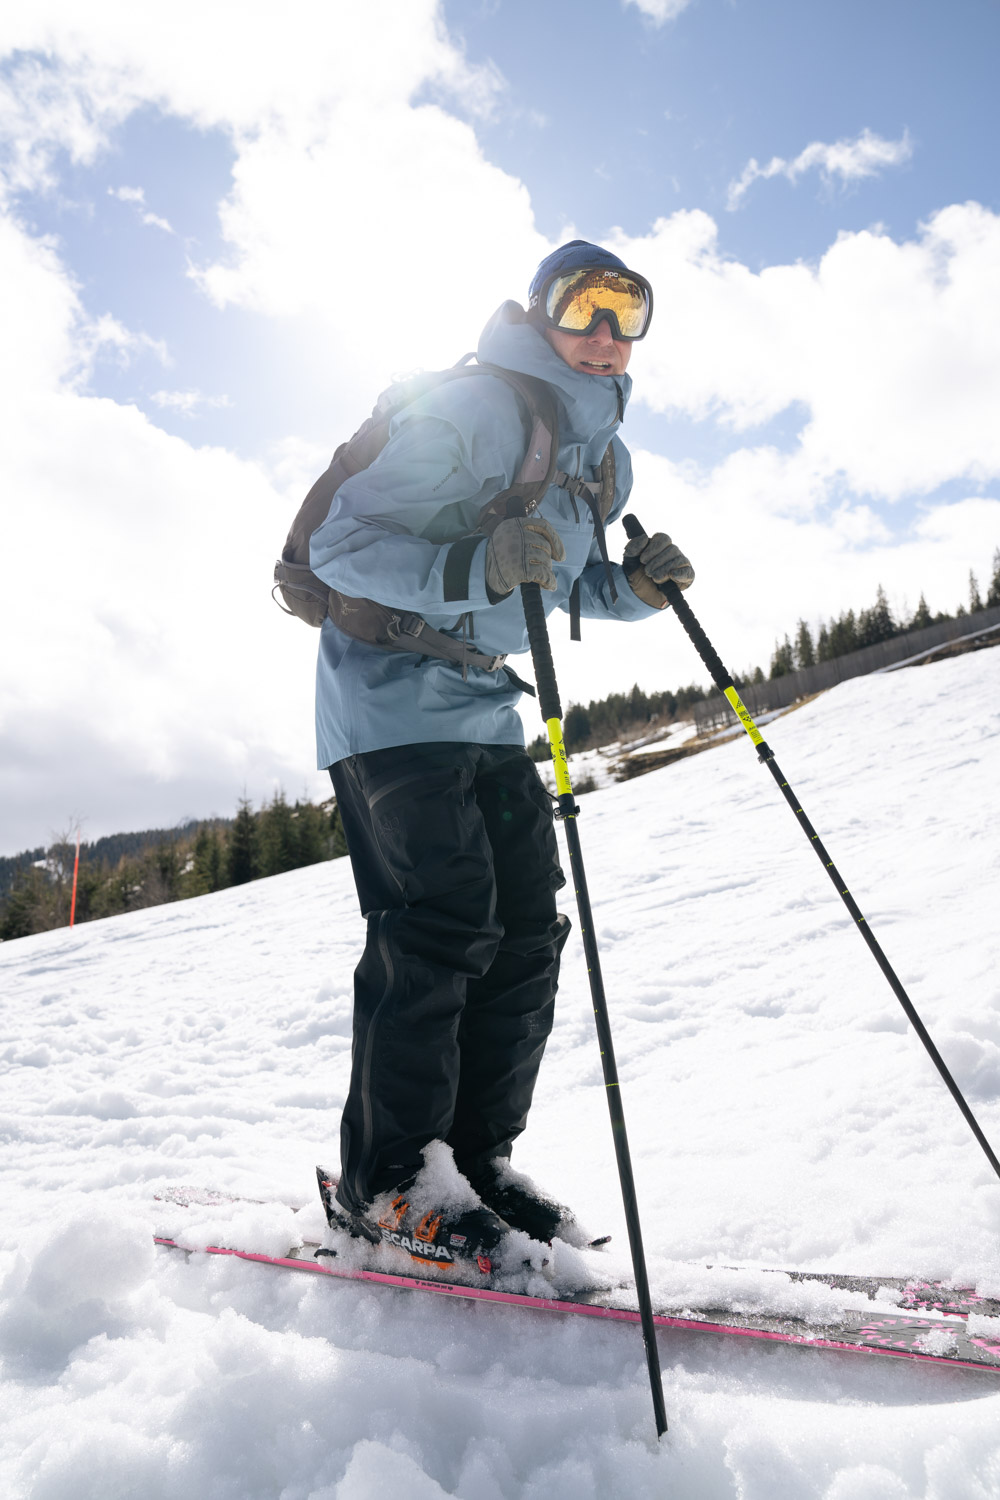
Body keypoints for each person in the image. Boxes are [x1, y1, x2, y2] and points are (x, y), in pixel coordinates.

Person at [309, 241, 694, 1273]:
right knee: (440, 924)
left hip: (486, 710)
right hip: (388, 703)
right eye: (586, 306)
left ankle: (470, 1161)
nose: (606, 334)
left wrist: (634, 591)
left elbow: (555, 588)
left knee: (526, 930)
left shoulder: (604, 460)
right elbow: (338, 545)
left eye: (629, 311)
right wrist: (471, 560)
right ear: (541, 313)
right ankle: (388, 1180)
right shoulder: (476, 409)